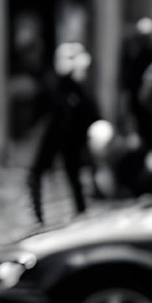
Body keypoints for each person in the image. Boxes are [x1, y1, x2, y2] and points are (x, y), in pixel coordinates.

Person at [28, 41, 98, 223]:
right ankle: (40, 216)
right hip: (56, 134)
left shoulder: (77, 90)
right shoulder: (58, 86)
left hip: (70, 138)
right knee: (39, 173)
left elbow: (90, 112)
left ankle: (80, 211)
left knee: (73, 175)